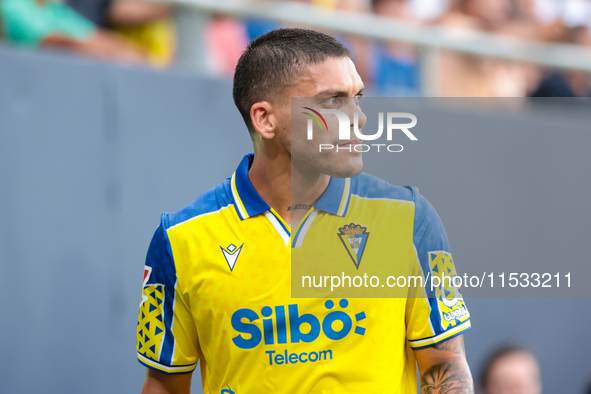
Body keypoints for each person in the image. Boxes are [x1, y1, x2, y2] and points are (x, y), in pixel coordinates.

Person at [137, 28, 473, 393]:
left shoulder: (408, 217)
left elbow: (445, 367)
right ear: (265, 119)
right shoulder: (179, 238)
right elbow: (164, 385)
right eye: (332, 101)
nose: (358, 118)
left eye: (357, 98)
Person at [0, 0, 147, 64]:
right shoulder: (11, 4)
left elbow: (92, 35)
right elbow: (53, 41)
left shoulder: (53, 9)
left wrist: (134, 54)